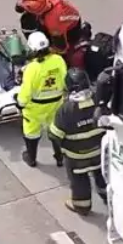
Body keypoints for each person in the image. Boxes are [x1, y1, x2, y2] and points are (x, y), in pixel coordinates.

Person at [49, 68, 107, 215]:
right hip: (100, 152)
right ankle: (107, 197)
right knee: (103, 175)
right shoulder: (99, 100)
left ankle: (82, 206)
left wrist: (60, 153)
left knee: (79, 180)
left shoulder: (65, 110)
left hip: (77, 157)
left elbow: (54, 135)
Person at [16, 31, 67, 168]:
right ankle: (60, 157)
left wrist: (20, 103)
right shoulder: (58, 60)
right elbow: (65, 80)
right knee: (55, 129)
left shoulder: (32, 68)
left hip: (35, 107)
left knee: (31, 132)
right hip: (56, 103)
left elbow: (26, 90)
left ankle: (31, 158)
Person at [15, 0, 82, 55]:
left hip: (71, 26)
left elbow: (61, 47)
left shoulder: (53, 23)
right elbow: (19, 6)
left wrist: (47, 51)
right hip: (67, 14)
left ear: (38, 13)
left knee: (65, 50)